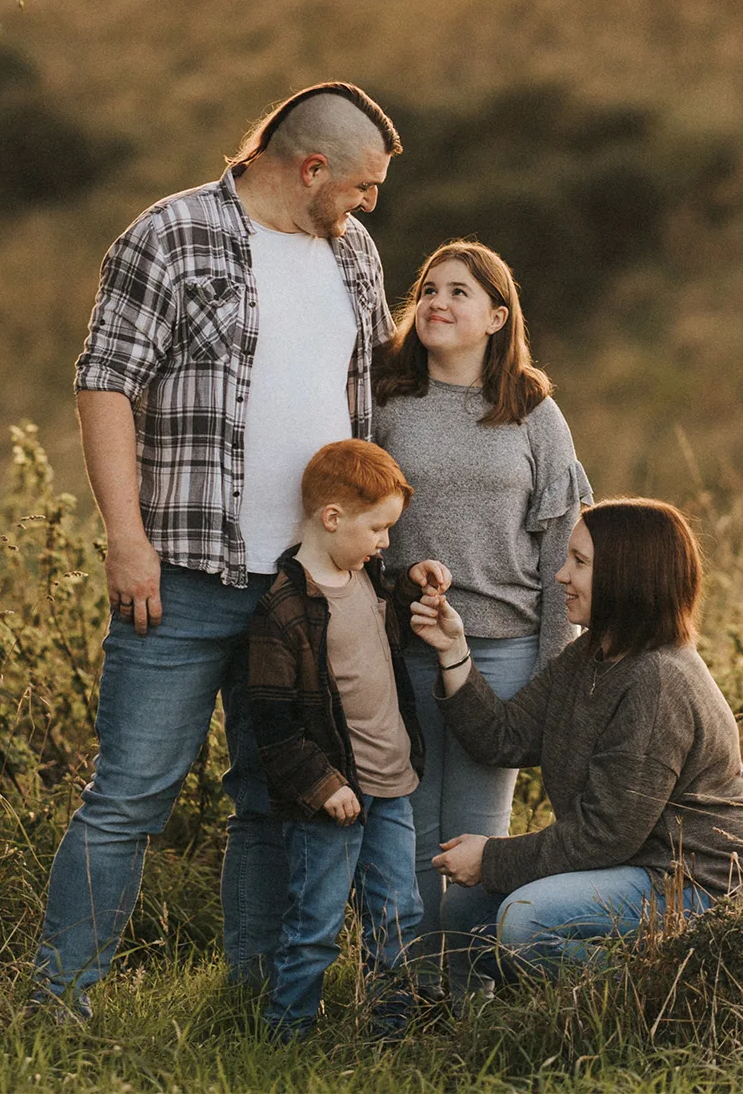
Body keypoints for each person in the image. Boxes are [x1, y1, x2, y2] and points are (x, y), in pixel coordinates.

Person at [33, 83, 402, 1022]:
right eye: (361, 185)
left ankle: (249, 1002)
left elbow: (367, 397)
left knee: (275, 797)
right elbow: (106, 384)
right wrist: (126, 539)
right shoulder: (171, 235)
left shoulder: (353, 252)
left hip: (307, 587)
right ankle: (58, 1002)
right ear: (311, 167)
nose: (369, 206)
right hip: (184, 574)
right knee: (129, 797)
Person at [408, 497, 743, 983]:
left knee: (525, 921)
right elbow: (504, 738)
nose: (561, 576)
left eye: (579, 563)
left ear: (627, 577)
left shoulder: (657, 680)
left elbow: (606, 835)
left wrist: (492, 857)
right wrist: (453, 649)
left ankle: (682, 991)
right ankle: (477, 1026)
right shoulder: (590, 654)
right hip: (638, 871)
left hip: (708, 889)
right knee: (465, 912)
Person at [373, 240, 591, 990]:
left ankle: (464, 994)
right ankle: (401, 989)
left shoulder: (532, 410)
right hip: (400, 644)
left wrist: (555, 670)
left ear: (497, 316)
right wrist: (402, 582)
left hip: (501, 653)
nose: (436, 301)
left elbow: (564, 539)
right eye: (429, 288)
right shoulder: (385, 402)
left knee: (474, 837)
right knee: (402, 828)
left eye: (459, 292)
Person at [246, 440, 447, 1039]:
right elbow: (273, 722)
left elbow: (383, 627)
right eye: (379, 528)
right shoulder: (283, 611)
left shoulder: (367, 577)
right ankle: (288, 1036)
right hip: (332, 799)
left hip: (392, 787)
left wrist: (414, 581)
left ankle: (391, 1030)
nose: (386, 541)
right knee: (316, 923)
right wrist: (321, 783)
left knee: (398, 914)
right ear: (332, 518)